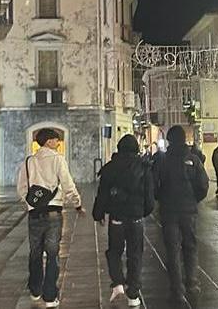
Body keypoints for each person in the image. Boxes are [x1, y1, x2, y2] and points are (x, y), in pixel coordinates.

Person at [17, 128, 84, 308]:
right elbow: (68, 184)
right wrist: (77, 203)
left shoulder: (28, 162)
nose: (57, 143)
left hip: (34, 214)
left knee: (35, 252)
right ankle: (49, 296)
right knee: (53, 254)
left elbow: (22, 188)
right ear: (48, 142)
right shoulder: (57, 159)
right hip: (54, 213)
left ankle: (35, 289)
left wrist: (30, 203)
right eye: (56, 140)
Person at [92, 134, 153, 307]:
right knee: (135, 254)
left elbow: (102, 195)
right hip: (135, 219)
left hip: (117, 219)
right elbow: (150, 197)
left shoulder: (110, 168)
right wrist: (143, 212)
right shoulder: (144, 167)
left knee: (114, 251)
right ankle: (133, 294)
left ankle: (118, 283)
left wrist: (98, 214)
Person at [154, 125, 209, 303]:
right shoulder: (193, 159)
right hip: (188, 210)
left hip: (169, 210)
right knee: (190, 246)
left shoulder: (161, 161)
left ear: (169, 140)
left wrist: (162, 198)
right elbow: (202, 186)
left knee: (172, 249)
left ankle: (177, 287)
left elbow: (155, 186)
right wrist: (193, 200)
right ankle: (192, 282)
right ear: (184, 139)